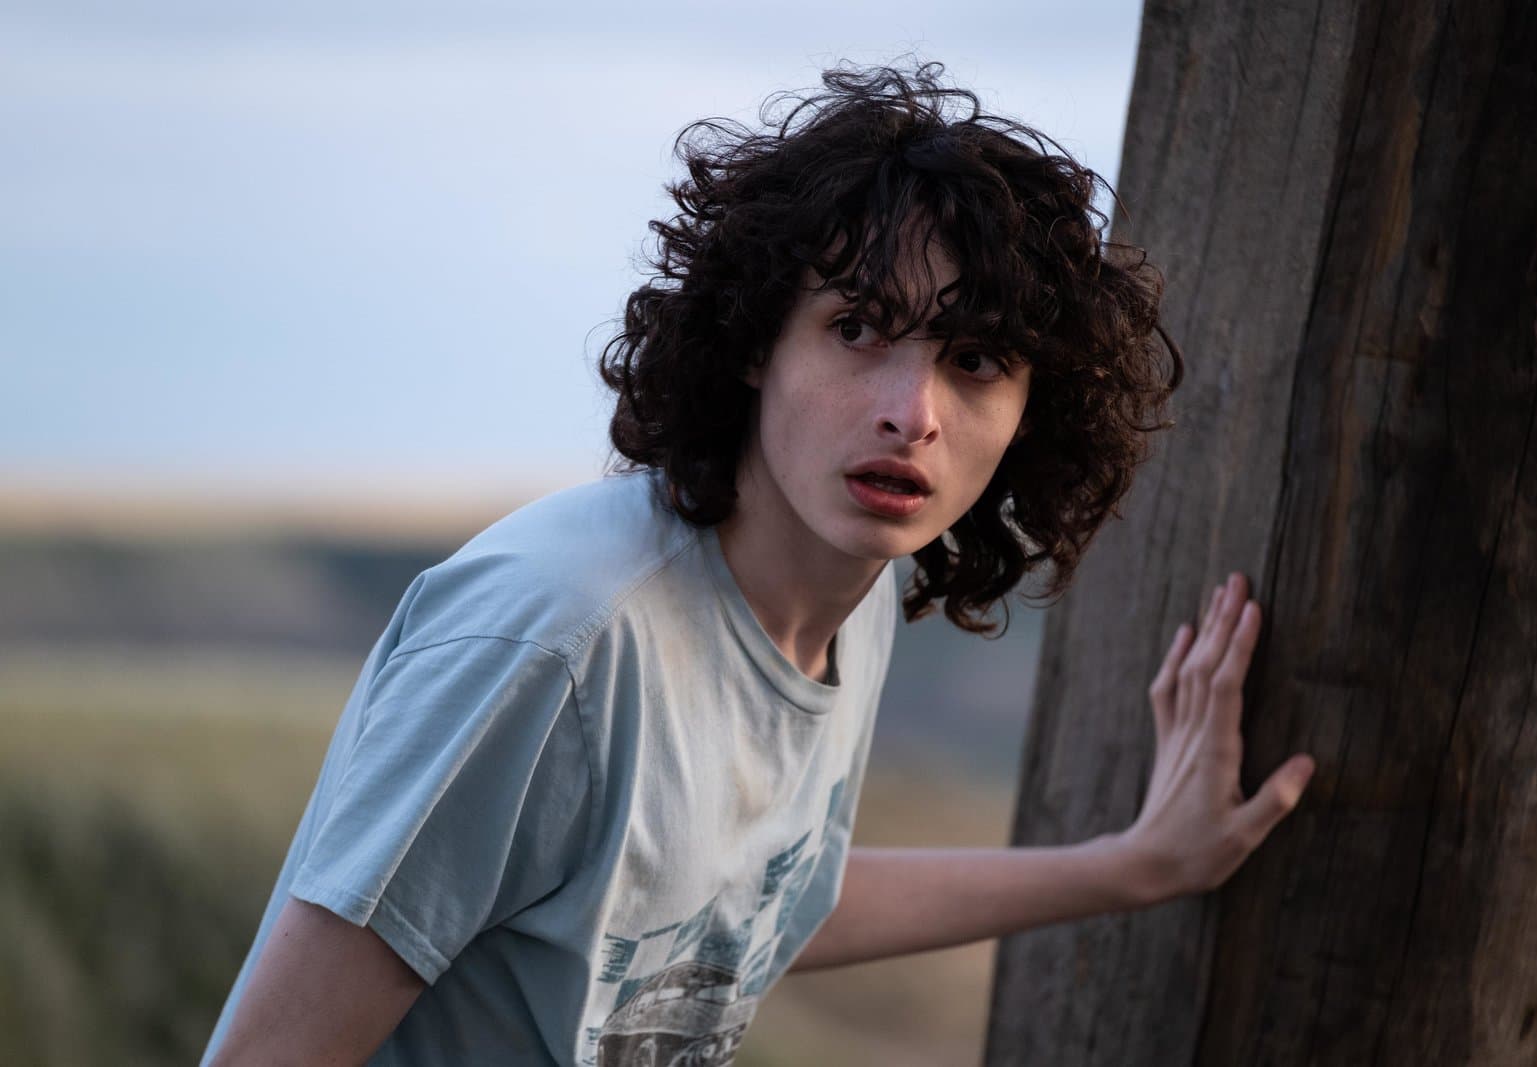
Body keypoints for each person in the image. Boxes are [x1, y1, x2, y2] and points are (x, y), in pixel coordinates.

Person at [203, 60, 1315, 1066]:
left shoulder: (847, 592)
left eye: (976, 358)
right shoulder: (557, 645)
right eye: (858, 327)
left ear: (1033, 410)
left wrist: (1137, 862)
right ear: (752, 342)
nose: (912, 412)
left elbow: (746, 908)